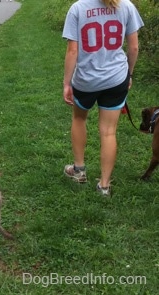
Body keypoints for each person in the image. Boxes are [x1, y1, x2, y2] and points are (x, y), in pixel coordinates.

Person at [62, 0, 144, 196]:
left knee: (79, 118)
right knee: (108, 131)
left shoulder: (78, 8)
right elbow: (133, 48)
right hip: (116, 79)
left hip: (85, 81)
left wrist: (66, 83)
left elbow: (73, 50)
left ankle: (79, 170)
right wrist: (129, 74)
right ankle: (104, 185)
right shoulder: (126, 6)